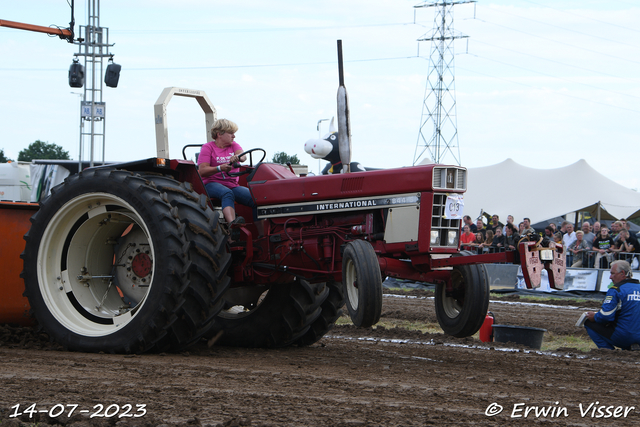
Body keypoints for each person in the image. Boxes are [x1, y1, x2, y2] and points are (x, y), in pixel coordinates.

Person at [197, 119, 256, 224]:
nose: (234, 136)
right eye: (231, 133)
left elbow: (243, 157)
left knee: (256, 198)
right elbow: (202, 170)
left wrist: (237, 157)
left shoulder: (234, 145)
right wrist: (219, 168)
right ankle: (233, 226)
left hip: (232, 185)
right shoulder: (208, 147)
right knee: (227, 193)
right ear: (219, 134)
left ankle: (262, 236)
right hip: (210, 184)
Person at [584, 260, 640, 350]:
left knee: (589, 323)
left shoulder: (615, 290)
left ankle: (609, 351)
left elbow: (606, 316)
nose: (610, 277)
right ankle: (630, 347)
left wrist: (594, 316)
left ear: (622, 273)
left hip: (624, 336)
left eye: (612, 273)